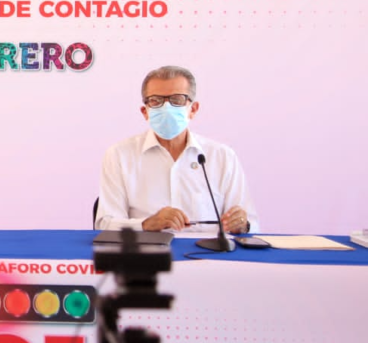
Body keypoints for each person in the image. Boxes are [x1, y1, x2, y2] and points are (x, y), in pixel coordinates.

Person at [96, 65, 259, 233]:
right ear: (145, 112)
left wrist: (243, 225)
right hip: (145, 249)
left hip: (207, 249)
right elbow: (105, 225)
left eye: (177, 100)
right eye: (156, 100)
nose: (167, 108)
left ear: (193, 109)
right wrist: (147, 224)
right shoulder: (119, 155)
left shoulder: (222, 157)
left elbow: (251, 225)